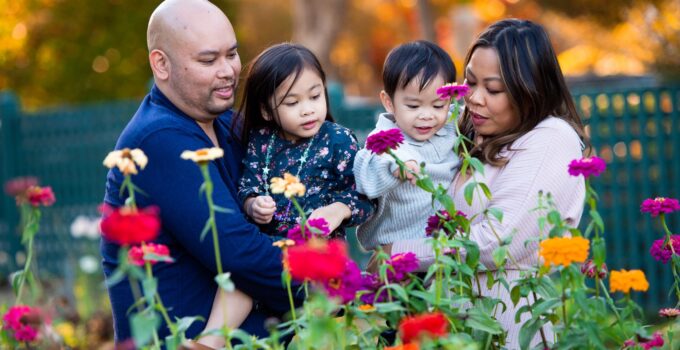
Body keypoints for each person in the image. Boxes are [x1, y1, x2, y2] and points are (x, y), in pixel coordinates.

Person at [100, 0, 300, 344]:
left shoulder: (225, 123)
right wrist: (337, 283)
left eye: (232, 54)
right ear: (161, 64)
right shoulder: (157, 140)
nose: (228, 71)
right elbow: (238, 252)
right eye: (208, 60)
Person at [386, 19, 587, 348]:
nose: (474, 99)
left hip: (510, 327)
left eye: (493, 89)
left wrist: (398, 254)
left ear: (530, 88)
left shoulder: (550, 138)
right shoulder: (470, 129)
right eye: (469, 82)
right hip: (453, 326)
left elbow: (496, 241)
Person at [198, 43, 374, 349]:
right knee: (240, 278)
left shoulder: (338, 140)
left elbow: (367, 199)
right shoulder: (261, 141)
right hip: (270, 252)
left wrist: (339, 210)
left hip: (319, 255)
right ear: (267, 109)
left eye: (315, 96)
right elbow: (248, 184)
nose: (308, 109)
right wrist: (253, 204)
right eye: (292, 102)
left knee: (320, 331)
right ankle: (209, 340)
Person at [353, 40, 459, 252]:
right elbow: (366, 174)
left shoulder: (452, 126)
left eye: (438, 105)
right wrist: (397, 166)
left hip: (443, 249)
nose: (427, 115)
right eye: (413, 106)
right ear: (389, 102)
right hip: (397, 252)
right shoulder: (385, 141)